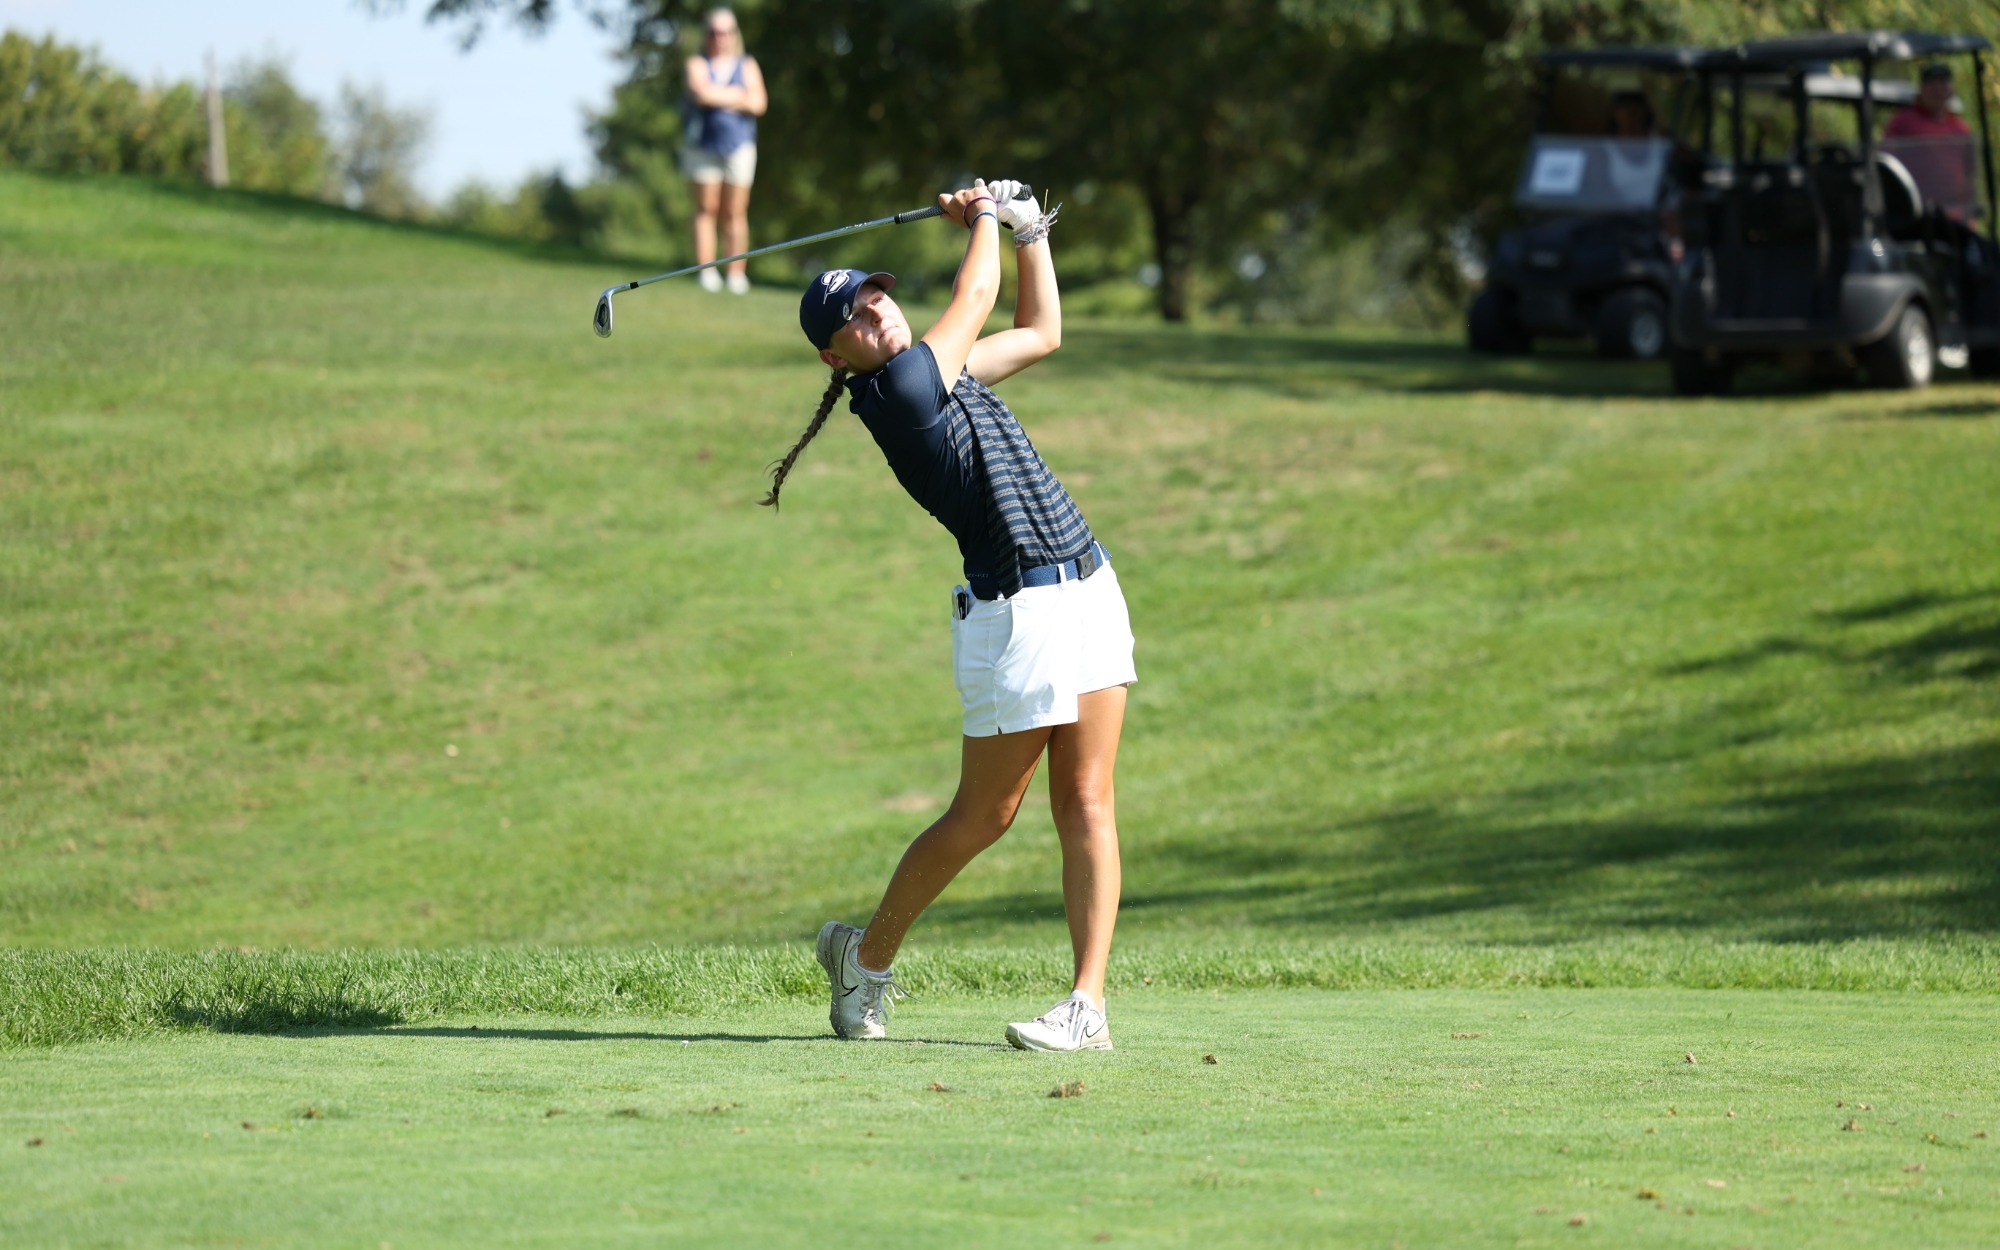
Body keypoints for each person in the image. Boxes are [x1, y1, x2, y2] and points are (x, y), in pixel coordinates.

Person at [772, 178, 1134, 1053]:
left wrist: (1029, 228)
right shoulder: (899, 391)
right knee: (985, 815)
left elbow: (1042, 332)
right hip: (1015, 613)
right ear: (835, 357)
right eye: (856, 317)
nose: (877, 312)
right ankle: (866, 959)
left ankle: (1086, 1006)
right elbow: (975, 295)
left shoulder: (945, 369)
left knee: (1088, 800)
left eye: (876, 297)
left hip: (1089, 584)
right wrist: (980, 218)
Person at [683, 7, 766, 294]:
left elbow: (759, 103)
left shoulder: (747, 64)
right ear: (706, 34)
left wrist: (717, 95)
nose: (721, 38)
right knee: (705, 210)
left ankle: (735, 273)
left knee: (735, 212)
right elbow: (700, 93)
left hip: (739, 146)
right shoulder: (697, 63)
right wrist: (739, 96)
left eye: (726, 32)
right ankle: (706, 272)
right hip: (702, 146)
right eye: (715, 32)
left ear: (734, 35)